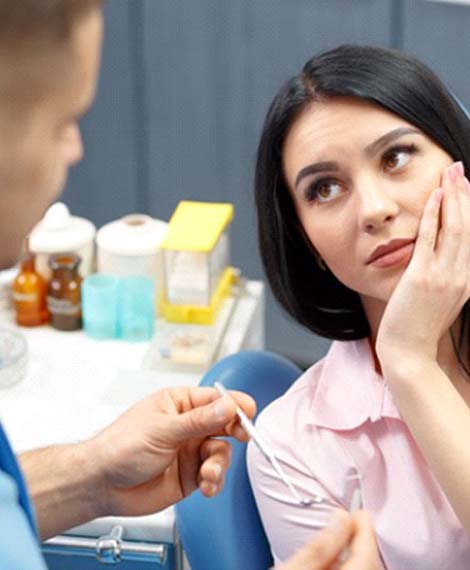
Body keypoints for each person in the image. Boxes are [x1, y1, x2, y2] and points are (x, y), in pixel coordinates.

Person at [0, 2, 379, 569]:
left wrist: (91, 473)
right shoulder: (303, 444)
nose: (76, 149)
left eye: (398, 157)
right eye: (62, 120)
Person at [248, 44, 470, 570]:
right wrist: (408, 358)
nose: (374, 210)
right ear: (309, 246)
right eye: (325, 188)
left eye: (396, 157)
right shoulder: (295, 449)